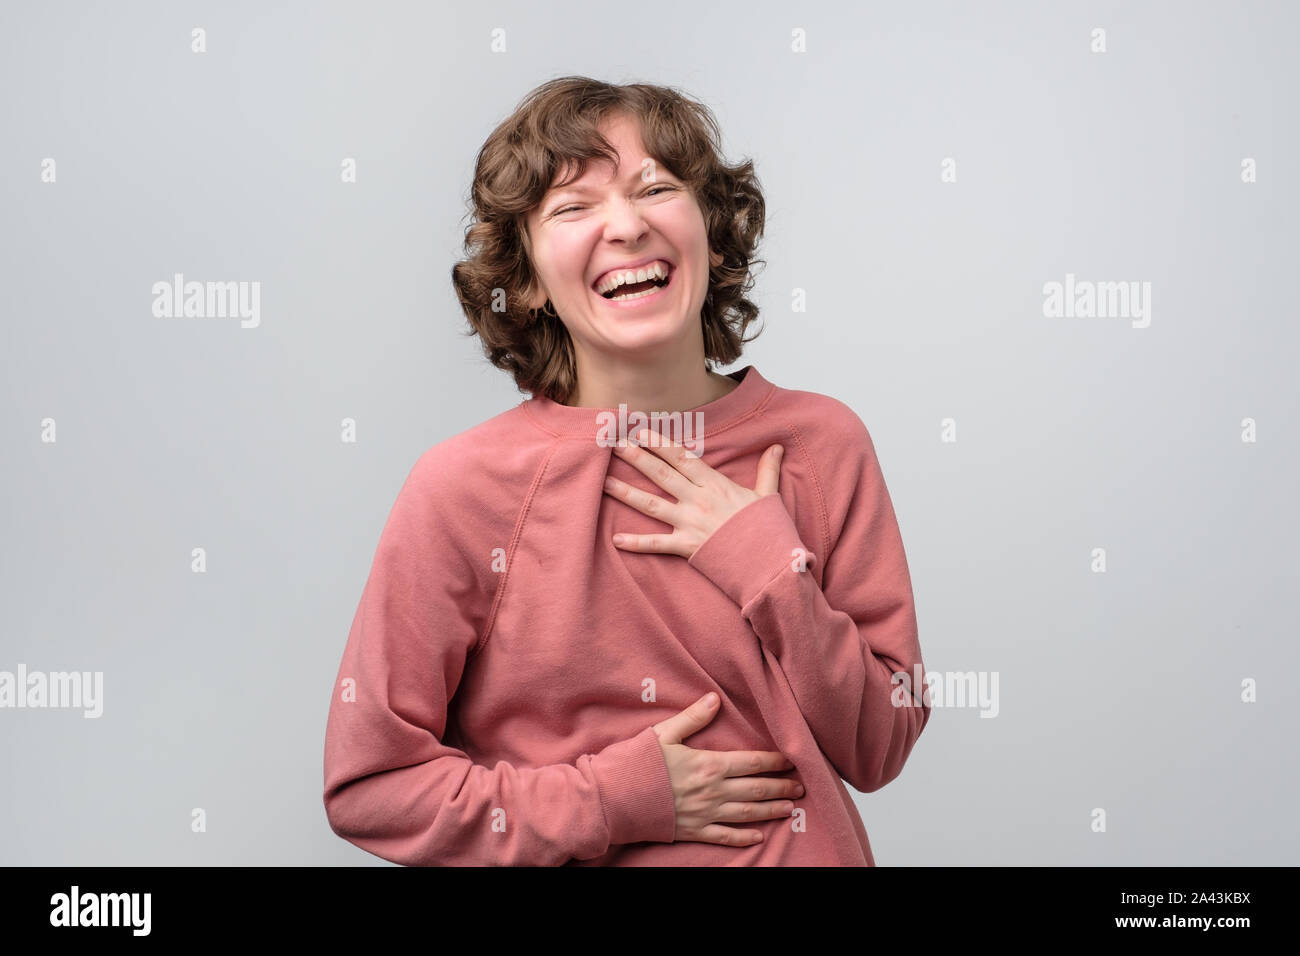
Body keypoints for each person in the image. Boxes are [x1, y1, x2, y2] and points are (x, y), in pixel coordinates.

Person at [322, 76, 932, 866]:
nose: (627, 224)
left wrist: (771, 571)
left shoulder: (823, 443)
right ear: (531, 278)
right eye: (573, 207)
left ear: (712, 237)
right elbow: (370, 785)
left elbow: (879, 746)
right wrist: (616, 798)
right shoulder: (462, 487)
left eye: (656, 188)